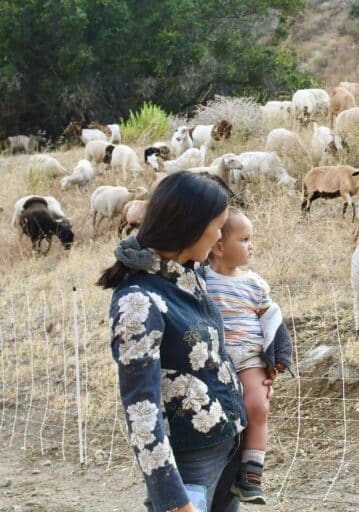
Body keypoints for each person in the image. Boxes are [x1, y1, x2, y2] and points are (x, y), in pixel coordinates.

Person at [97, 172, 248, 512]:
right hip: (191, 462)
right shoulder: (138, 302)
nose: (221, 236)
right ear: (191, 227)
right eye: (218, 226)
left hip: (227, 444)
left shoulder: (187, 274)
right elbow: (141, 410)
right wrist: (173, 498)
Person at [200, 208, 292, 504]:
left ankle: (252, 475)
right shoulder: (202, 281)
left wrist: (279, 357)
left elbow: (272, 320)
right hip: (216, 358)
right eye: (244, 239)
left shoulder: (254, 283)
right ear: (218, 246)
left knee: (258, 406)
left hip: (250, 358)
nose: (251, 245)